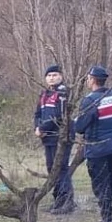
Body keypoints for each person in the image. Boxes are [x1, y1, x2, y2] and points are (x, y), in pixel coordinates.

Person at [74, 65, 112, 222]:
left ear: (92, 80)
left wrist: (73, 123)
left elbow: (80, 127)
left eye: (87, 78)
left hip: (97, 149)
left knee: (101, 184)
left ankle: (107, 219)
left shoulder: (89, 101)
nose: (87, 81)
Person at [33, 65, 76, 214]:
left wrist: (43, 129)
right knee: (52, 168)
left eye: (55, 75)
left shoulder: (63, 93)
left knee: (62, 168)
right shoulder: (44, 94)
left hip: (61, 136)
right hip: (47, 137)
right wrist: (37, 128)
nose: (51, 78)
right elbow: (37, 114)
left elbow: (59, 115)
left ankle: (67, 201)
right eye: (49, 75)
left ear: (61, 76)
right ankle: (57, 200)